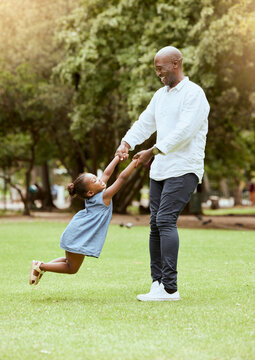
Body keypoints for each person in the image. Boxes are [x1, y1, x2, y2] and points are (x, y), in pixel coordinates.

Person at [116, 46, 210, 301]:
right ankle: (157, 283)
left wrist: (152, 151)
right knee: (155, 225)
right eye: (156, 68)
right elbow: (145, 122)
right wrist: (127, 143)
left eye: (161, 68)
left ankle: (170, 288)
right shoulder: (160, 95)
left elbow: (185, 131)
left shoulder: (194, 94)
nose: (158, 73)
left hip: (184, 168)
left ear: (176, 64)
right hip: (160, 170)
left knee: (165, 220)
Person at [29, 156, 138, 285]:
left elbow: (106, 173)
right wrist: (135, 162)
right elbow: (122, 178)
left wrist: (117, 158)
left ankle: (41, 266)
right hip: (79, 234)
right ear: (90, 192)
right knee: (72, 268)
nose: (99, 180)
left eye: (96, 178)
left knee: (69, 262)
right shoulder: (104, 196)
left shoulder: (97, 191)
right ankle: (41, 266)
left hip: (77, 231)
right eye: (95, 180)